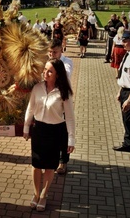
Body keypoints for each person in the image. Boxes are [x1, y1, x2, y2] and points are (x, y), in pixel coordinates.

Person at [23, 58, 75, 212]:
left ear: (58, 74)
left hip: (56, 131)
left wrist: (71, 139)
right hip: (39, 130)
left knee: (50, 167)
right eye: (45, 69)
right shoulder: (37, 88)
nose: (45, 73)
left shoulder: (64, 92)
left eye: (50, 71)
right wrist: (26, 126)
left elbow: (70, 117)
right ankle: (36, 193)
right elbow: (30, 108)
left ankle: (44, 195)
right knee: (36, 165)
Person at [47, 39, 73, 175]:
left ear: (61, 50)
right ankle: (51, 158)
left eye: (54, 52)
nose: (51, 54)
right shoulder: (46, 62)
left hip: (62, 102)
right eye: (50, 52)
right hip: (48, 102)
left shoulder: (67, 62)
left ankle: (63, 162)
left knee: (63, 133)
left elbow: (65, 74)